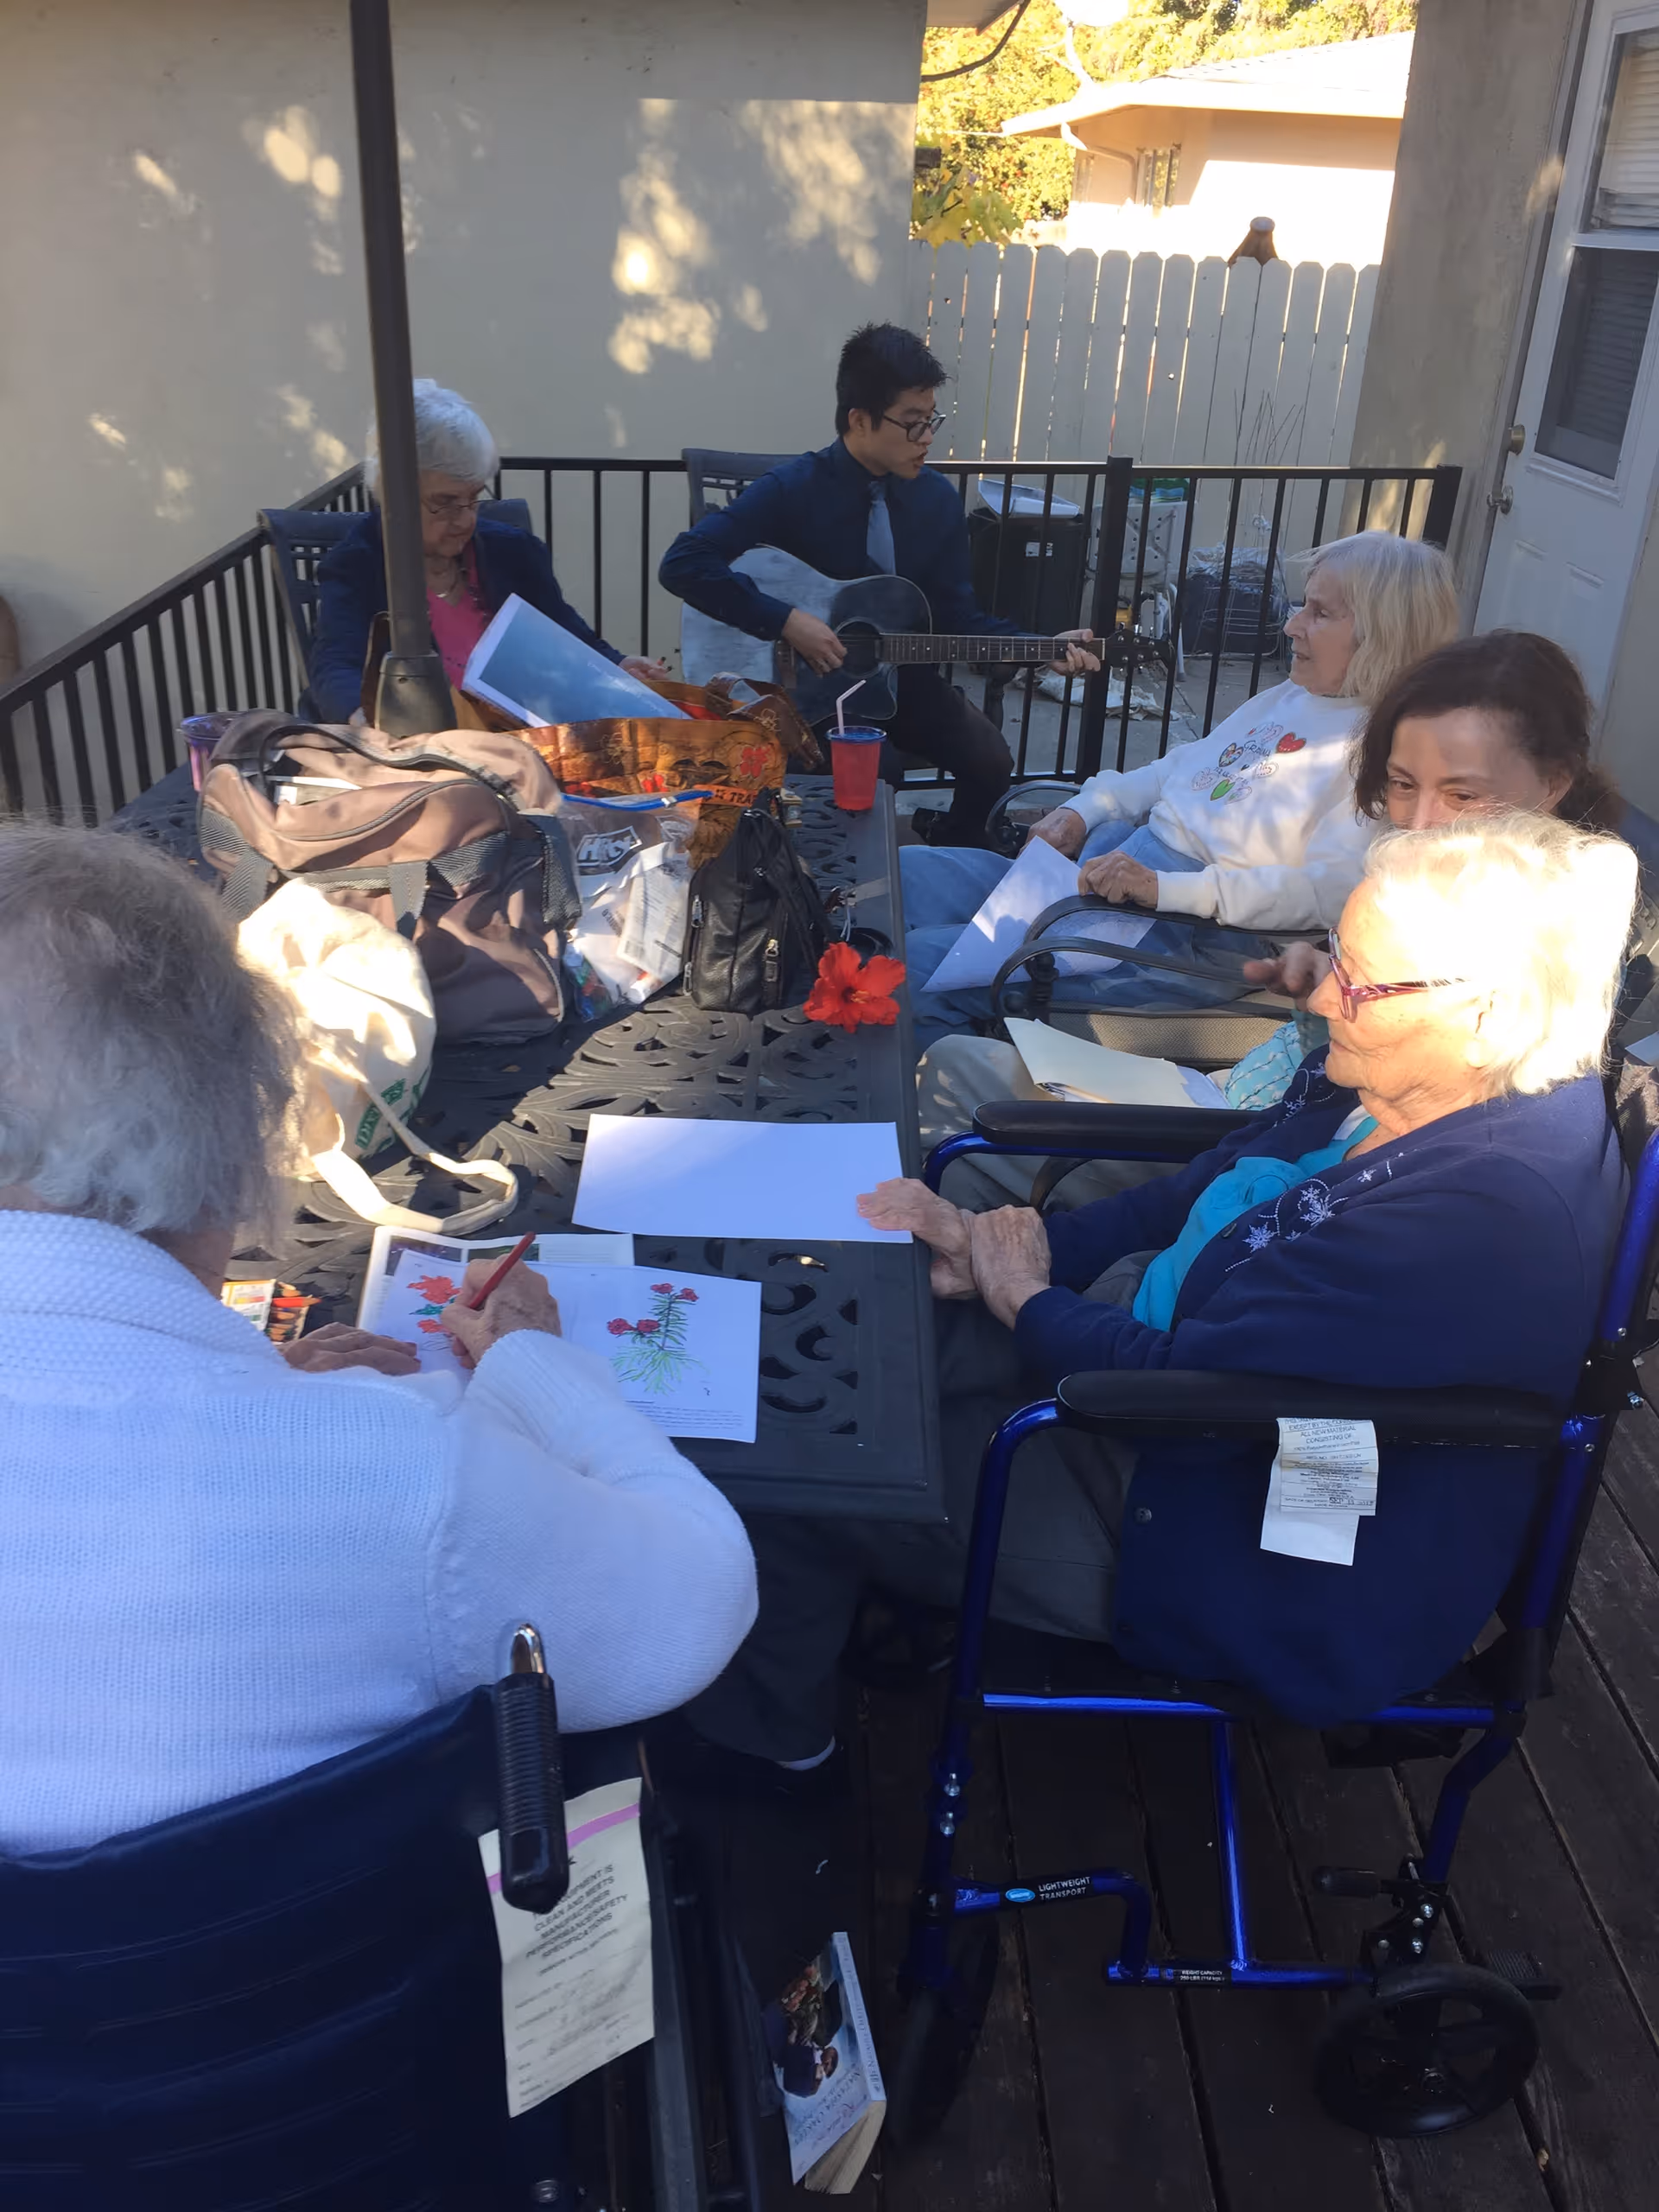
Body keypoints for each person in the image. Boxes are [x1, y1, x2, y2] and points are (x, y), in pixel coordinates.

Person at [678, 814, 1634, 1778]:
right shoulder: (1419, 1078)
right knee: (831, 1343)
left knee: (794, 1458)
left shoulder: (1477, 1214)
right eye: (1339, 953)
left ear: (1486, 1009)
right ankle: (837, 1608)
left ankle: (770, 1759)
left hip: (1215, 1528)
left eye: (1364, 979)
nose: (1326, 993)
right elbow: (1198, 1188)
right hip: (1156, 1365)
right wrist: (1003, 1248)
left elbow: (1185, 1398)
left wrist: (1024, 1297)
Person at [0, 824, 757, 1853]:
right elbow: (699, 1600)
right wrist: (537, 1367)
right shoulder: (392, 1469)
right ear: (233, 1130)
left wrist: (260, 1383)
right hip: (356, 1995)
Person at [921, 628, 1630, 1210]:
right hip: (1247, 1105)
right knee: (944, 1031)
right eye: (1402, 787)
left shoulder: (1540, 954)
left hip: (1256, 1151)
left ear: (1555, 784)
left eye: (1463, 794)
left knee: (946, 1062)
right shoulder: (1424, 892)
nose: (1417, 824)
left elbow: (1382, 1155)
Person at [899, 529, 1461, 1052]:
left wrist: (1165, 889)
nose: (1291, 626)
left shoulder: (1383, 749)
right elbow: (1179, 770)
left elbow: (1327, 893)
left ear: (1381, 635)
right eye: (1301, 605)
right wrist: (1082, 809)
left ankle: (904, 1138)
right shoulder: (1288, 698)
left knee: (913, 971)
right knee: (900, 879)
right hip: (1107, 876)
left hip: (1177, 935)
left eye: (1319, 613)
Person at [658, 322, 1100, 849]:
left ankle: (942, 856)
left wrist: (1040, 647)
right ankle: (846, 900)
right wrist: (785, 621)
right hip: (808, 697)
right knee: (874, 772)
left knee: (991, 760)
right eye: (912, 424)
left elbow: (960, 618)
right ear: (860, 420)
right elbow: (683, 563)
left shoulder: (935, 502)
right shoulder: (792, 489)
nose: (928, 438)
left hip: (903, 683)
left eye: (931, 420)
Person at [309, 378, 664, 723]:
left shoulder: (513, 552)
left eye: (474, 498)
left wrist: (617, 665)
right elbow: (336, 667)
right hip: (430, 755)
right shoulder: (357, 564)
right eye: (444, 502)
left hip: (527, 741)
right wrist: (365, 726)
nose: (465, 519)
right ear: (394, 496)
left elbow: (566, 636)